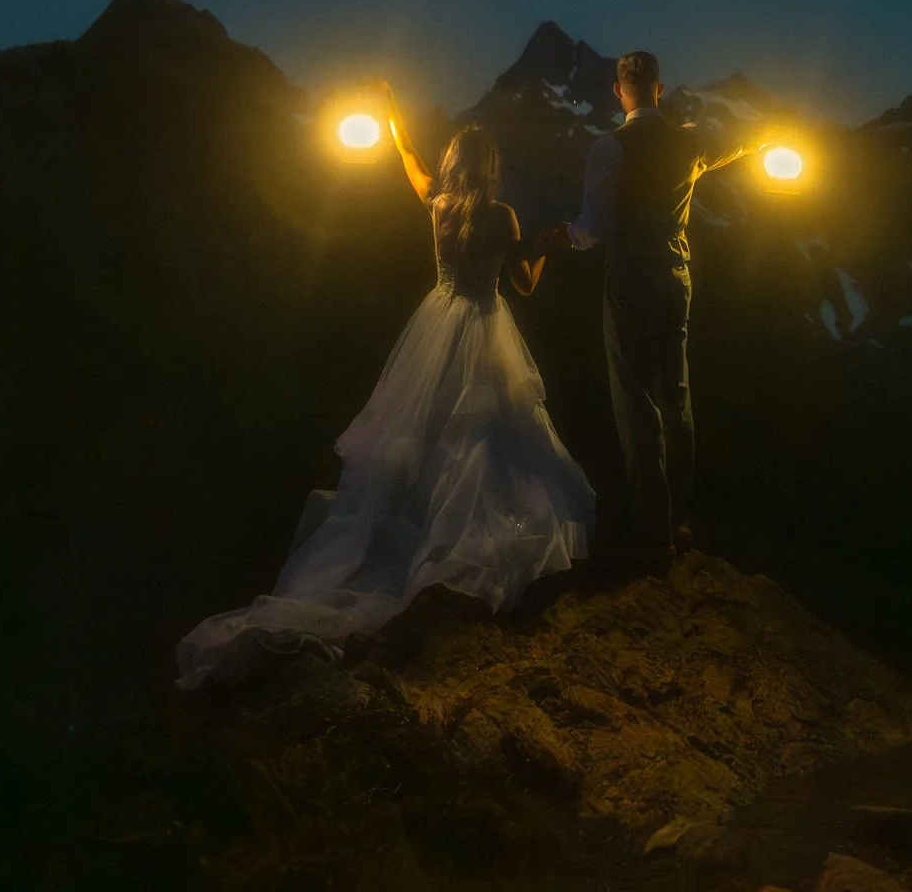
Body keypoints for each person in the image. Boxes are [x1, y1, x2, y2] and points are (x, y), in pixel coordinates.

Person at [176, 89, 593, 690]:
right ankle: (465, 554)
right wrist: (547, 250)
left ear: (454, 164)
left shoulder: (438, 203)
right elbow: (523, 283)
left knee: (423, 437)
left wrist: (396, 117)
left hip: (435, 322)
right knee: (482, 440)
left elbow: (410, 162)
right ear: (493, 167)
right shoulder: (503, 218)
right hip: (483, 325)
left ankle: (410, 539)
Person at [557, 50, 754, 565]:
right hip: (676, 276)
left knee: (635, 398)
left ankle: (653, 528)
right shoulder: (691, 141)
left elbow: (592, 229)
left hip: (630, 278)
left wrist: (561, 237)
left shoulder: (608, 148)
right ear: (660, 90)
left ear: (619, 92)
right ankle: (682, 519)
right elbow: (738, 143)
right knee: (677, 394)